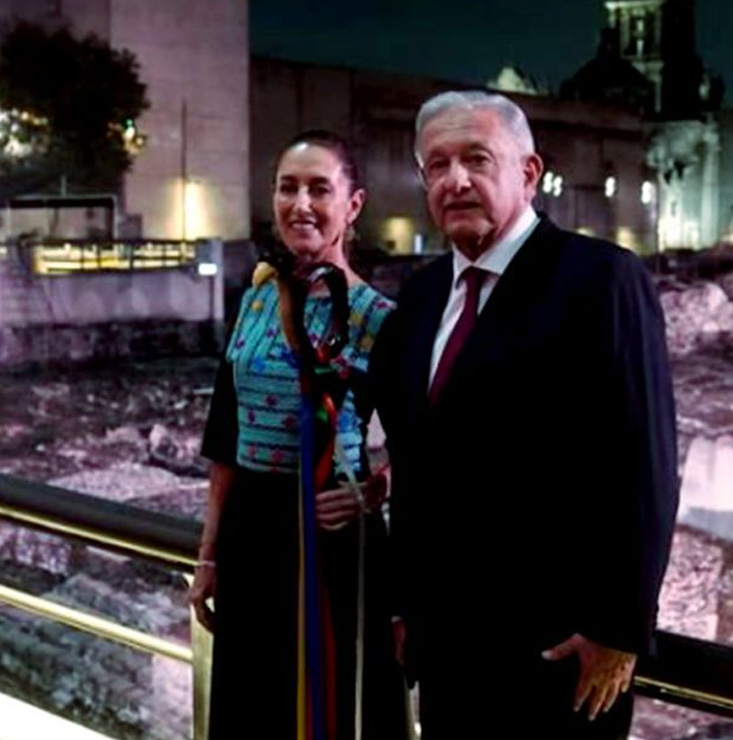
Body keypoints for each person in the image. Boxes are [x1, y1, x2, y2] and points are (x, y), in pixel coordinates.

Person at [369, 91, 679, 739]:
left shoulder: (601, 279)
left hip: (559, 655)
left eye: (477, 159)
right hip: (445, 649)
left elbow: (643, 462)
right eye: (437, 165)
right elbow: (414, 465)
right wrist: (404, 606)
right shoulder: (420, 298)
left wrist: (618, 627)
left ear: (529, 172)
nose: (455, 180)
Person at [189, 130, 405, 738]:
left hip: (334, 539)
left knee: (331, 706)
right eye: (288, 188)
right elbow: (224, 438)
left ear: (353, 205)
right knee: (253, 705)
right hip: (250, 534)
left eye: (319, 189)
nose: (300, 204)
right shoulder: (256, 299)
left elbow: (423, 445)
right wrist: (209, 555)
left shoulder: (379, 318)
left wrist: (375, 490)